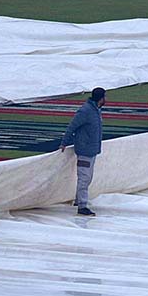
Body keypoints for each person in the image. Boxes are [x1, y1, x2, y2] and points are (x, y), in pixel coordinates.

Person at [60, 87, 105, 216]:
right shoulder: (86, 111)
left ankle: (79, 200)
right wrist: (64, 143)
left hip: (91, 150)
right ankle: (82, 206)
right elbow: (72, 126)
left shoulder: (95, 110)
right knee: (84, 178)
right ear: (101, 98)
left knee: (88, 177)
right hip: (85, 151)